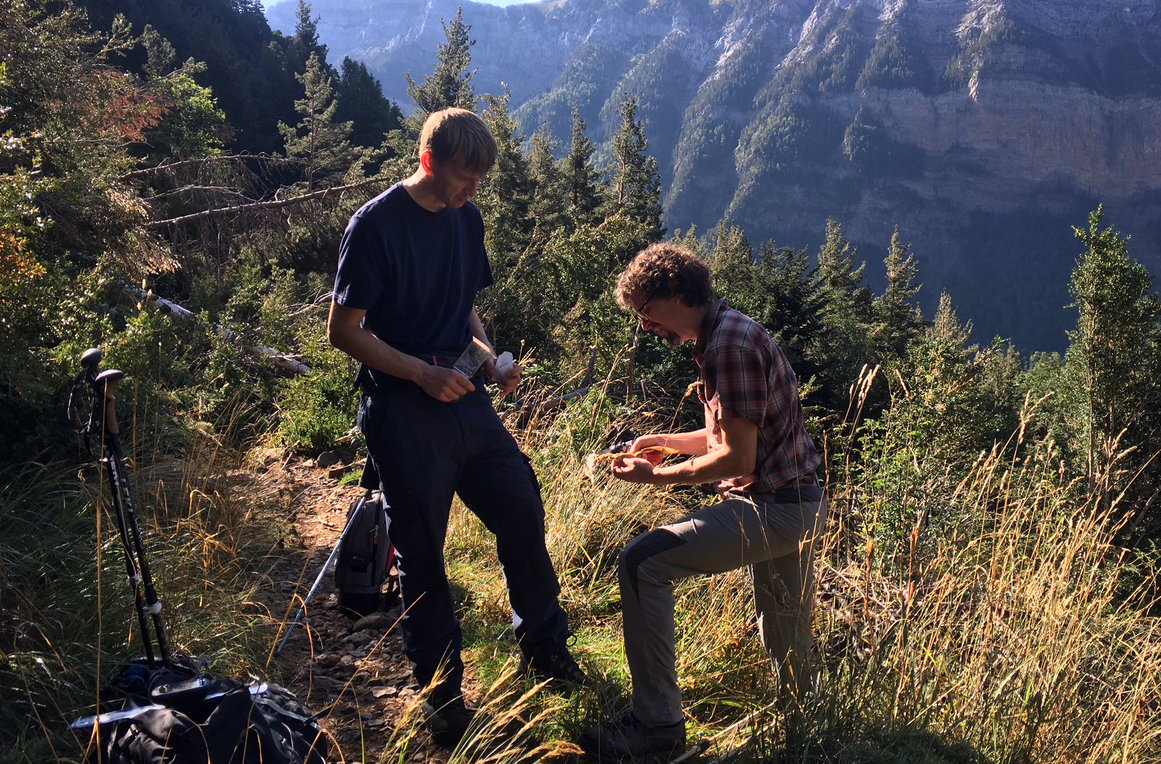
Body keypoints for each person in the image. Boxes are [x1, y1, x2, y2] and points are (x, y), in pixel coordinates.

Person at [327, 107, 584, 747]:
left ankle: (543, 644)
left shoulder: (466, 220)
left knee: (522, 507)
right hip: (405, 407)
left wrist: (490, 357)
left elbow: (465, 304)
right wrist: (420, 374)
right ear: (429, 160)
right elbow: (344, 330)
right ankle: (441, 693)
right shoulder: (376, 226)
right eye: (463, 179)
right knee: (424, 552)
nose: (471, 193)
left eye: (479, 182)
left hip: (467, 395)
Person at [580, 242, 828, 763]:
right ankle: (808, 737)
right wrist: (667, 441)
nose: (646, 327)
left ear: (675, 293)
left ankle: (657, 728)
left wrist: (657, 477)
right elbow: (731, 433)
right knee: (784, 626)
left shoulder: (727, 348)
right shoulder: (727, 332)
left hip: (776, 508)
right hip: (799, 502)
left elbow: (737, 459)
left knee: (643, 561)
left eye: (647, 312)